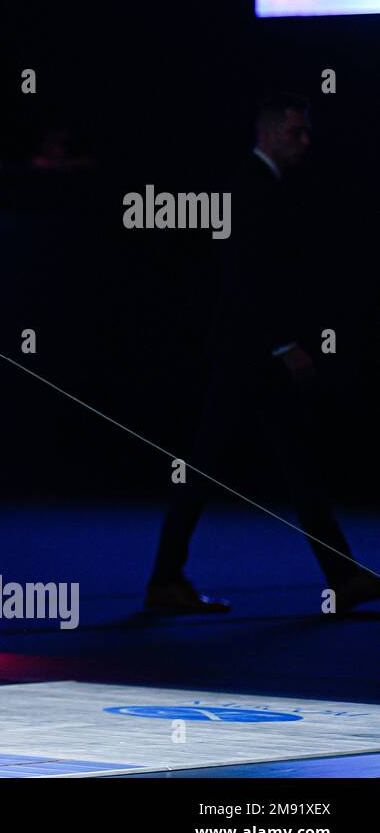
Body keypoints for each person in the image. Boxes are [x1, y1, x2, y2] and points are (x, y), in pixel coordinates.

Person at [146, 92, 380, 614]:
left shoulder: (259, 186)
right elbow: (246, 277)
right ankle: (165, 580)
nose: (305, 143)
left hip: (246, 353)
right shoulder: (252, 187)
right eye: (296, 132)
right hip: (248, 354)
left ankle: (340, 576)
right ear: (270, 132)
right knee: (239, 464)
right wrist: (283, 343)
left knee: (290, 463)